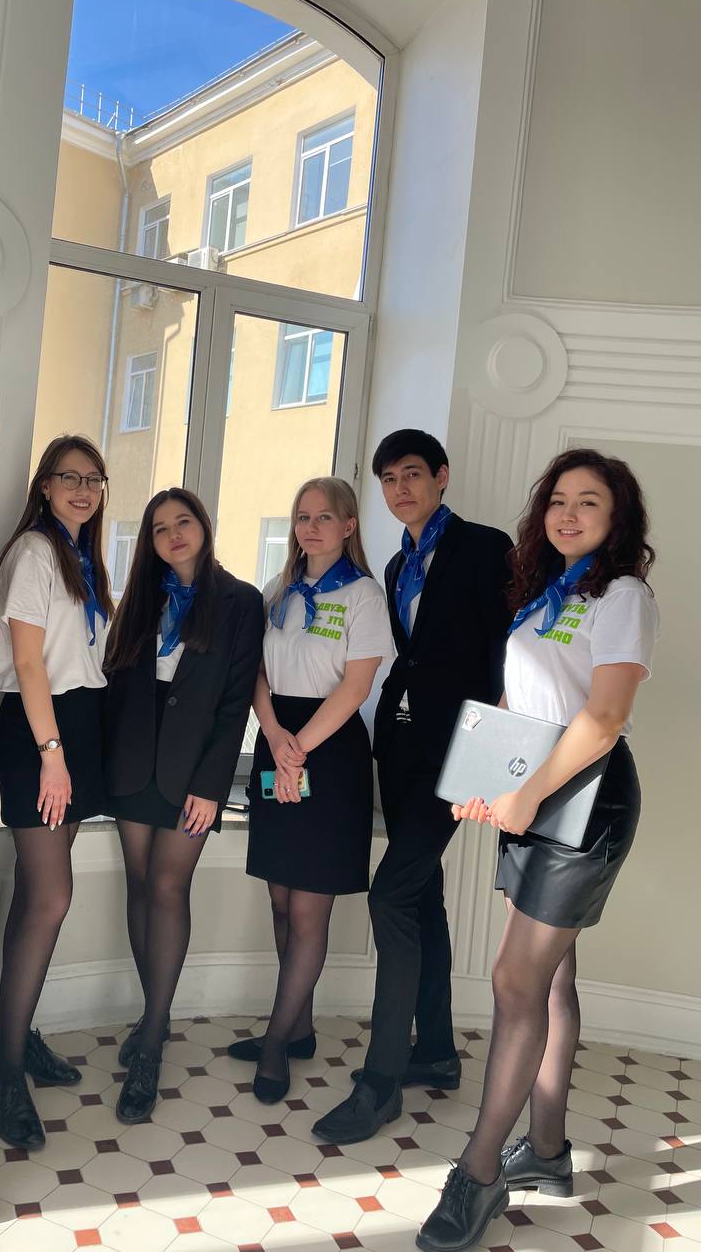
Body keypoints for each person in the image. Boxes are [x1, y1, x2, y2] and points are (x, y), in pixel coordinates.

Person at [416, 448, 659, 1252]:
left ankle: (480, 1169)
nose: (568, 514)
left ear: (616, 519)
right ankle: (547, 1152)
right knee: (551, 978)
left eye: (588, 501)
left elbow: (605, 718)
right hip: (536, 789)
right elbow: (521, 699)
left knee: (513, 979)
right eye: (558, 500)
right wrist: (486, 774)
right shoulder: (547, 594)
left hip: (586, 800)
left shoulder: (623, 596)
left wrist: (526, 792)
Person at [314, 430, 512, 1144]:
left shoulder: (485, 548)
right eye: (389, 480)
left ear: (441, 477)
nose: (400, 490)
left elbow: (507, 654)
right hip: (401, 748)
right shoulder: (398, 562)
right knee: (421, 896)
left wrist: (491, 762)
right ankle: (435, 1050)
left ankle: (381, 1081)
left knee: (390, 895)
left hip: (459, 753)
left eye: (412, 475)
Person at [104, 488, 263, 1124]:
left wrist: (212, 783)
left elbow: (236, 701)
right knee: (139, 885)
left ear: (204, 526)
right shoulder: (141, 597)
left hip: (193, 772)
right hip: (132, 763)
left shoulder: (240, 601)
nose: (173, 534)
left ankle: (150, 1040)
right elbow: (117, 682)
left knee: (169, 888)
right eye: (159, 527)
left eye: (183, 522)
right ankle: (155, 1016)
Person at [234, 476, 394, 1105]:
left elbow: (357, 687)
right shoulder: (278, 593)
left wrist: (298, 747)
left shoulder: (363, 595)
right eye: (302, 516)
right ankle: (296, 1028)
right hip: (278, 740)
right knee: (280, 899)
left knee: (308, 909)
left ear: (349, 525)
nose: (311, 527)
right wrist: (275, 735)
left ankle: (276, 1043)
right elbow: (256, 674)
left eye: (324, 517)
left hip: (331, 751)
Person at [0, 435, 114, 1148]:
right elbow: (29, 663)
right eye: (70, 477)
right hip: (43, 730)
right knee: (51, 897)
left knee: (36, 896)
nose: (84, 490)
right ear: (44, 485)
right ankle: (5, 1072)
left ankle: (18, 1034)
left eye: (94, 479)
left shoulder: (81, 557)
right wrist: (52, 756)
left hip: (77, 723)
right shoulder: (35, 552)